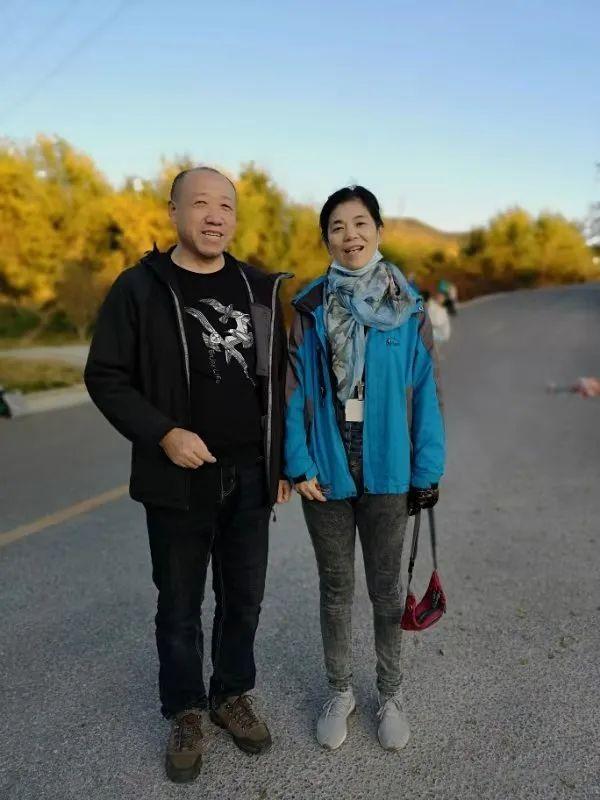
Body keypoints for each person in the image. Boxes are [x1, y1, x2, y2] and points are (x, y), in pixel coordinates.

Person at [84, 167, 292, 784]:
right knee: (179, 604)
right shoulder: (139, 288)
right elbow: (106, 376)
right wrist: (163, 433)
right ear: (173, 211)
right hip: (178, 478)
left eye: (225, 205)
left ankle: (230, 694)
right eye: (200, 203)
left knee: (244, 598)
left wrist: (281, 461)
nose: (214, 216)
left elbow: (280, 381)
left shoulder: (258, 288)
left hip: (250, 474)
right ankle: (184, 710)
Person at [284, 185, 445, 753]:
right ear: (326, 238)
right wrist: (296, 462)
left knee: (386, 590)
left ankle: (390, 694)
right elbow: (293, 392)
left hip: (388, 465)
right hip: (325, 467)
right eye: (336, 226)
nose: (349, 235)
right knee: (335, 588)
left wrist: (427, 469)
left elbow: (426, 391)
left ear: (378, 229)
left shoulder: (409, 307)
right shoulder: (308, 309)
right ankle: (339, 692)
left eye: (359, 223)